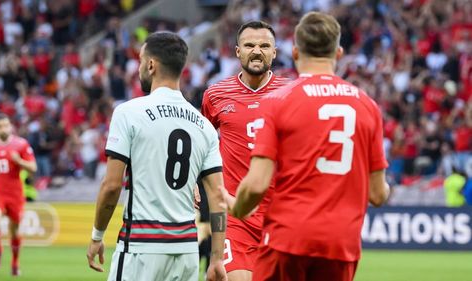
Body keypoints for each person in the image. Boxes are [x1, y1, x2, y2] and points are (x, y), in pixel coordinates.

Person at [231, 12, 390, 281]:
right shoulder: (367, 106)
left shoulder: (278, 101)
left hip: (288, 237)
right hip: (341, 243)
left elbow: (257, 184)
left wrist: (236, 208)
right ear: (338, 53)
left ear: (294, 52)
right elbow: (378, 194)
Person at [86, 32, 228, 281]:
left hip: (141, 248)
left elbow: (110, 187)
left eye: (141, 60)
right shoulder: (204, 126)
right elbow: (217, 197)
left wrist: (97, 236)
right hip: (186, 253)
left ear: (151, 65)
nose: (140, 67)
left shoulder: (128, 113)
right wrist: (216, 258)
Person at [201, 20, 289, 281]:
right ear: (237, 51)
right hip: (235, 214)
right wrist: (196, 183)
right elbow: (202, 144)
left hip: (281, 213)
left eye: (265, 45)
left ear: (275, 52)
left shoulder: (291, 93)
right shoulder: (215, 94)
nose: (257, 51)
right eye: (249, 45)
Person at [0, 114, 37, 276]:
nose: (4, 128)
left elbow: (33, 167)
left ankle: (15, 263)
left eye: (6, 125)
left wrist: (19, 161)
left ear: (11, 127)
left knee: (15, 231)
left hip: (15, 193)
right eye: (0, 126)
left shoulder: (21, 144)